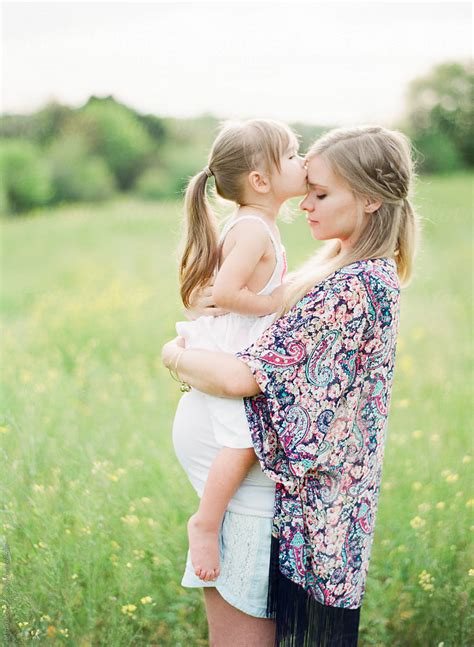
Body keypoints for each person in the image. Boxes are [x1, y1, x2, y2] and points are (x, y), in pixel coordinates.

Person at [163, 125, 420, 647]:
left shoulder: (358, 285)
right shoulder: (334, 266)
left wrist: (175, 355)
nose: (306, 202)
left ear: (371, 199)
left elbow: (245, 377)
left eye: (321, 193)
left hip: (271, 502)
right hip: (256, 498)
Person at [172, 119, 307, 588]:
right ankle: (204, 524)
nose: (303, 162)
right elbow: (227, 292)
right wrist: (272, 302)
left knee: (247, 439)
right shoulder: (253, 229)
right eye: (292, 155)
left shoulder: (257, 224)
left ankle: (208, 523)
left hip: (234, 348)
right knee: (244, 442)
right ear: (261, 181)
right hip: (230, 350)